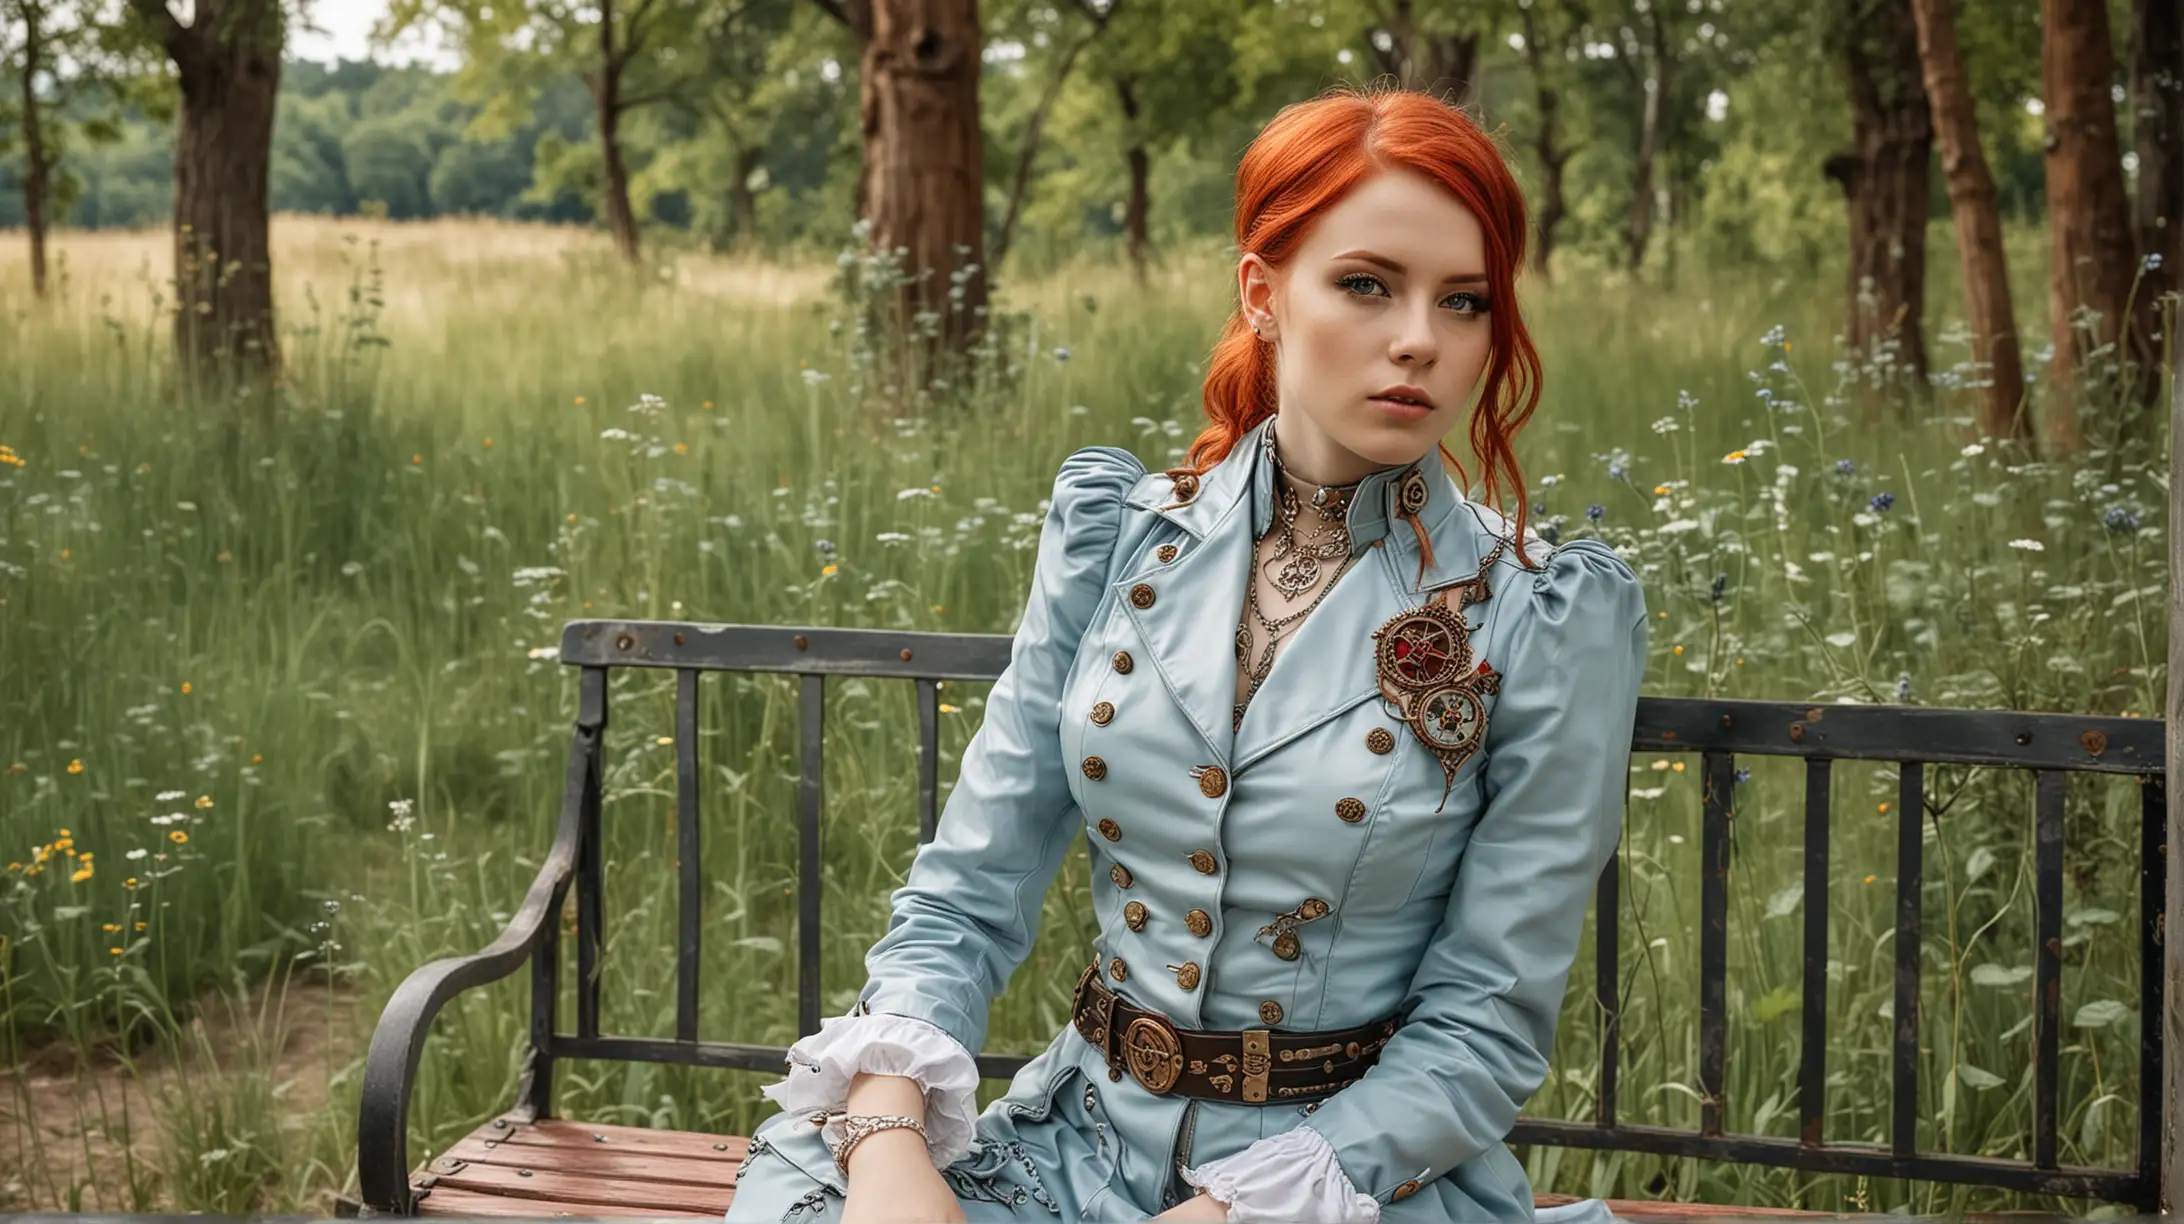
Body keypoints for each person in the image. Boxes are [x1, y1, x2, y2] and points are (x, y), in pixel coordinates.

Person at [725, 84, 1648, 1224]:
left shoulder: (1539, 615)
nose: (1419, 337)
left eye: (1463, 302)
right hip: (1073, 1148)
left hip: (1336, 1183)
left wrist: (1229, 1210)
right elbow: (972, 887)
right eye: (1367, 284)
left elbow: (1485, 1025)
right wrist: (886, 1137)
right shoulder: (1117, 539)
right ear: (1264, 293)